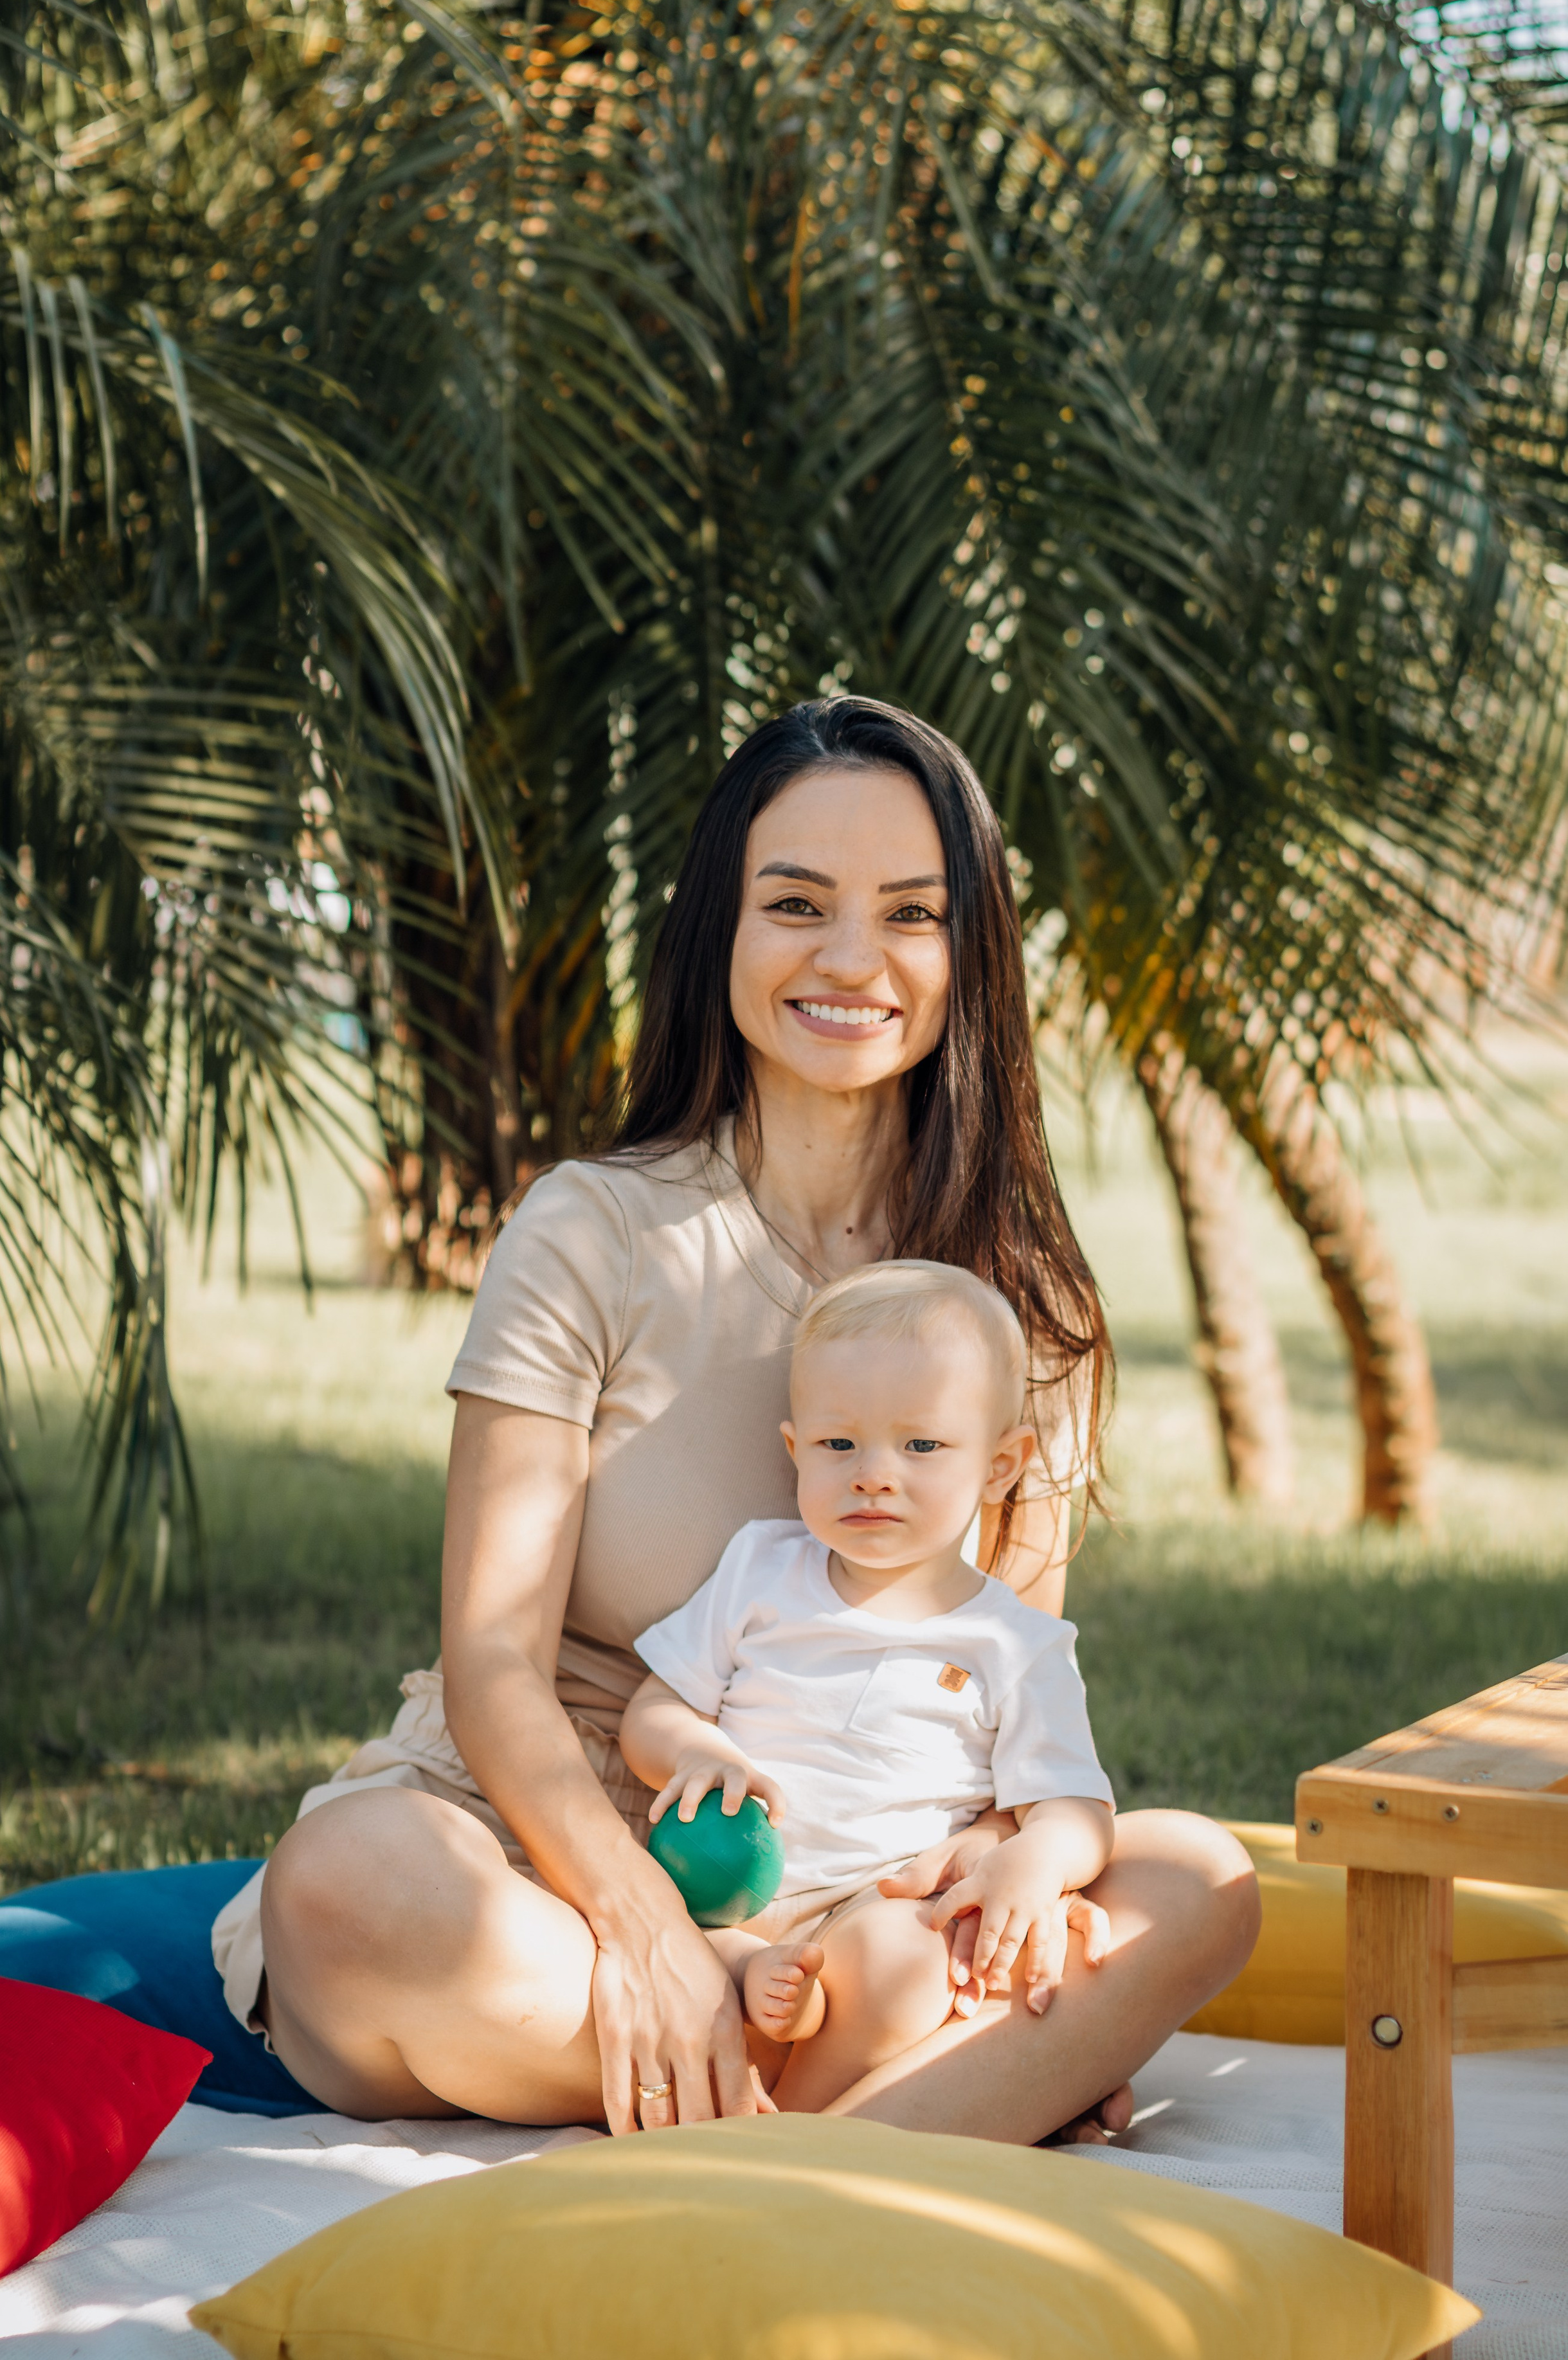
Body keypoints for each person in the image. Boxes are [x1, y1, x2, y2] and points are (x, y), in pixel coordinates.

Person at [213, 693, 1259, 2140]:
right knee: (345, 1885)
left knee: (1196, 1880)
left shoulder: (1020, 1307)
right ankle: (928, 2109)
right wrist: (642, 1924)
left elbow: (1001, 1703)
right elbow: (492, 1663)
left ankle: (802, 2120)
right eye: (796, 904)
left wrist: (1001, 1916)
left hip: (858, 1907)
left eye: (908, 912)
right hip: (540, 1862)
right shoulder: (592, 1230)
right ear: (720, 930)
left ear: (969, 956)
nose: (850, 958)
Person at [621, 1258, 1115, 2113]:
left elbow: (1076, 1808)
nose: (874, 1473)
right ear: (795, 1450)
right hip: (729, 1897)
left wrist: (1035, 1865)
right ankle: (764, 2000)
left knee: (908, 1963)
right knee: (694, 1943)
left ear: (1002, 1467)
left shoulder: (1015, 1641)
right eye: (838, 1444)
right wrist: (695, 1749)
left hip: (874, 1906)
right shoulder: (760, 1570)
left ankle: (804, 2105)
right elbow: (653, 1710)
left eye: (921, 1445)